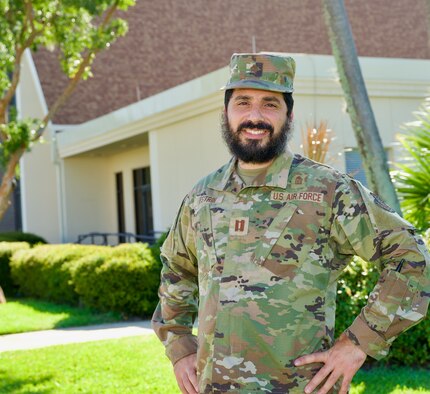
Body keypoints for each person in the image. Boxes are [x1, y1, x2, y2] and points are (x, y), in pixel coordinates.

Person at [152, 52, 430, 394]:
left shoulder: (328, 190)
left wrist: (359, 341)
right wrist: (179, 347)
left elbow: (411, 256)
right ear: (225, 113)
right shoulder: (203, 196)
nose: (255, 116)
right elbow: (176, 269)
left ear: (289, 115)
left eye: (270, 104)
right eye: (243, 102)